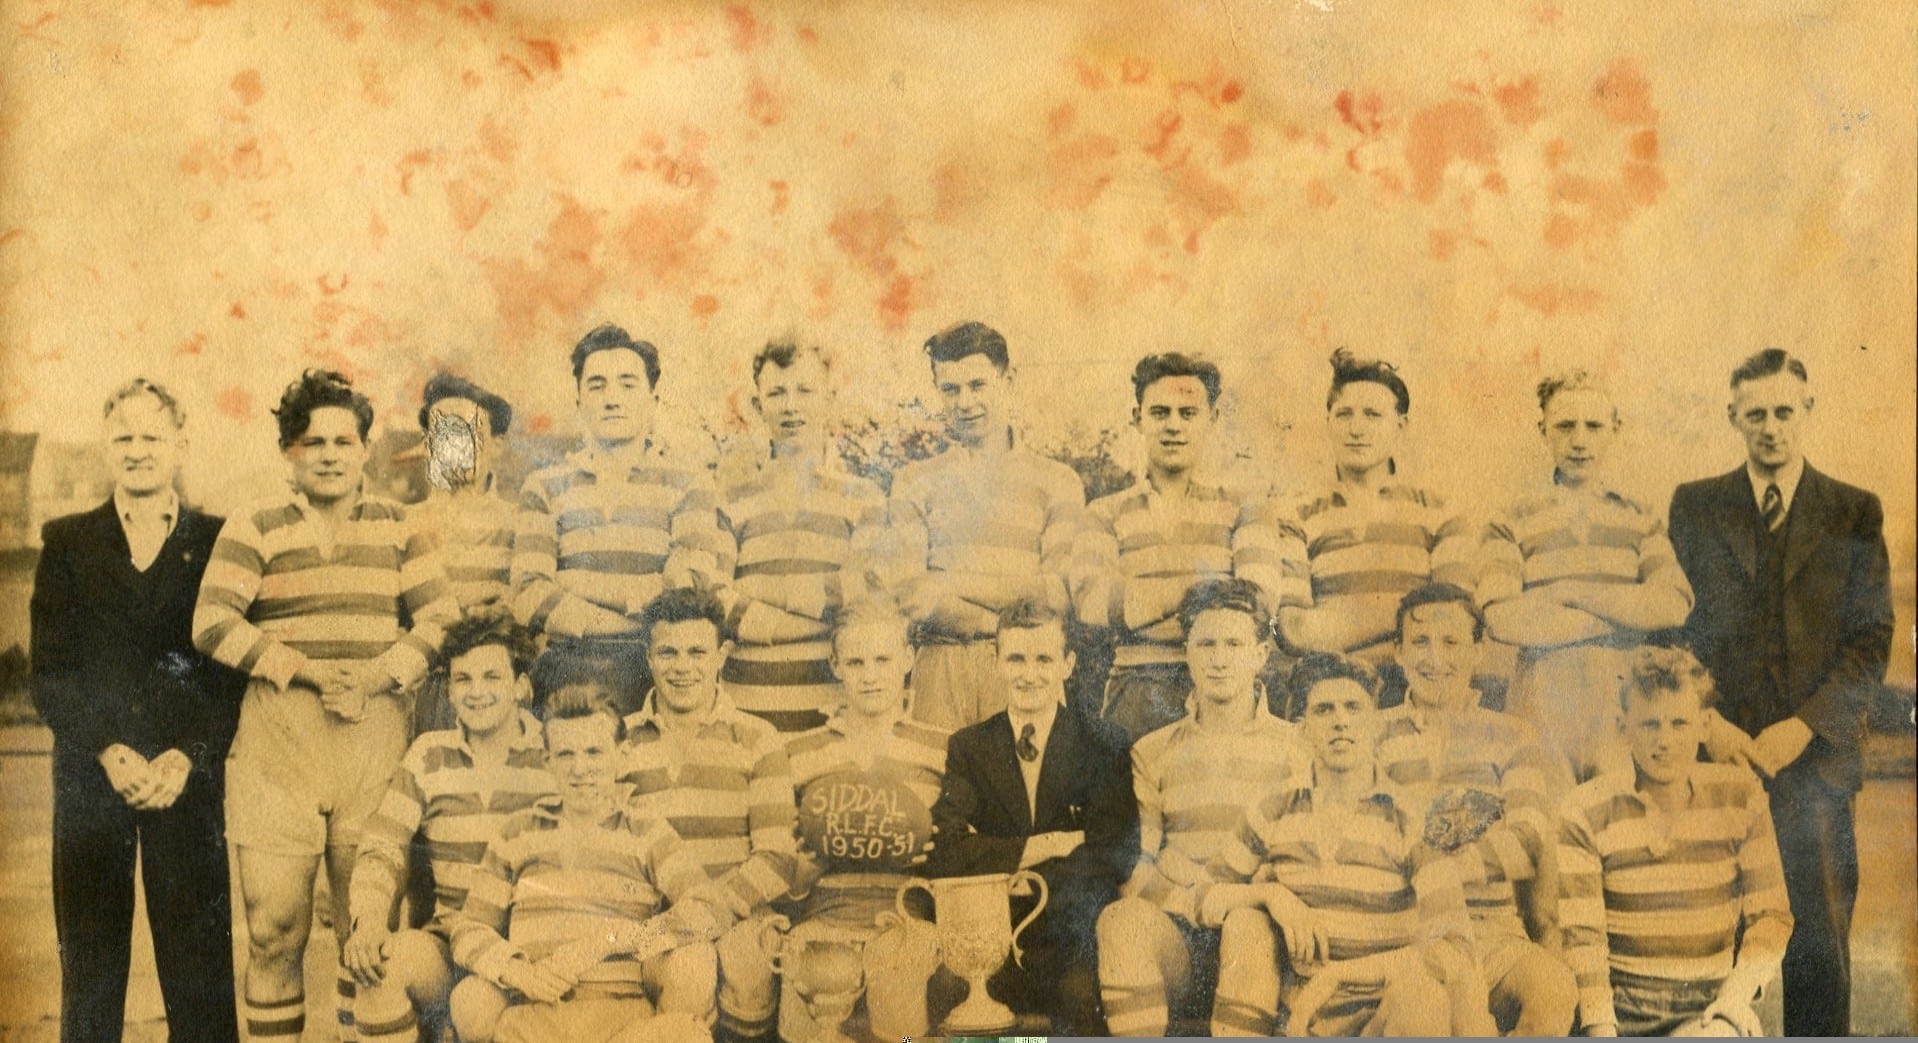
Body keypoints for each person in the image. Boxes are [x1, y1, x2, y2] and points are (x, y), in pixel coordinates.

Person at [194, 369, 460, 1042]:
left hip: (371, 741)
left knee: (365, 931)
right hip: (278, 744)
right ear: (291, 451)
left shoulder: (398, 527)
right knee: (274, 927)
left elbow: (440, 620)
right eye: (314, 442)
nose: (332, 453)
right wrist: (305, 669)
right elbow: (211, 620)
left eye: (345, 440)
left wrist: (376, 676)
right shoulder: (255, 524)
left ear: (365, 447)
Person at [1666, 348, 1892, 1036]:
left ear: (1808, 411)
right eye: (1755, 413)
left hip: (1815, 763)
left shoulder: (1852, 510)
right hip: (1719, 761)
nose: (1771, 426)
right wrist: (1707, 724)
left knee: (1817, 937)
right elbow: (1679, 625)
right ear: (1733, 416)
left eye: (1784, 411)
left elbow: (1870, 638)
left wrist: (1804, 725)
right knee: (1711, 932)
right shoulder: (1697, 506)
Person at [30, 378, 245, 1043]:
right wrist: (108, 749)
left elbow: (228, 670)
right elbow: (52, 672)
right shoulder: (68, 541)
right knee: (90, 973)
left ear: (179, 445)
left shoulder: (216, 539)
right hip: (94, 782)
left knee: (200, 970)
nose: (138, 449)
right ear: (104, 447)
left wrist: (188, 754)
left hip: (187, 780)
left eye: (152, 435)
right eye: (123, 436)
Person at [1201, 653, 1488, 1037]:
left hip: (1383, 1018)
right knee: (1245, 922)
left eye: (1354, 708)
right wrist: (1270, 896)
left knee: (1423, 997)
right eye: (1323, 710)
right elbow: (1198, 896)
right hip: (1299, 1020)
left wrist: (1339, 975)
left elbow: (1456, 947)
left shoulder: (1413, 818)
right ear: (1302, 730)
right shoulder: (1274, 810)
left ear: (1375, 724)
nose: (1340, 721)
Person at [446, 683, 722, 1043]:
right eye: (565, 755)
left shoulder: (645, 830)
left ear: (621, 756)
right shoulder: (518, 832)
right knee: (469, 998)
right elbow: (469, 929)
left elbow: (708, 910)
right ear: (547, 761)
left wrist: (616, 937)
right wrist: (518, 973)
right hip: (538, 1011)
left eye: (594, 752)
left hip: (624, 1016)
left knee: (693, 968)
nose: (580, 769)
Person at [1094, 577, 1306, 1037]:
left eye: (1234, 642)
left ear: (1260, 655)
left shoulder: (1298, 747)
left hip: (1265, 942)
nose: (1218, 658)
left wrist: (1244, 900)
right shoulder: (1153, 751)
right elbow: (1138, 875)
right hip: (1182, 936)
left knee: (1248, 925)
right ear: (1186, 651)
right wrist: (1201, 901)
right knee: (1121, 919)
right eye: (1205, 643)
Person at [341, 607, 556, 1043]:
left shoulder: (554, 753)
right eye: (463, 680)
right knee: (378, 968)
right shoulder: (429, 755)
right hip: (449, 945)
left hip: (533, 951)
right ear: (450, 691)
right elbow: (383, 844)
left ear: (520, 686)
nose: (477, 693)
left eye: (492, 678)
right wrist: (367, 919)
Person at [1557, 647, 1795, 1037]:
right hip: (1620, 1012)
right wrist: (1602, 1029)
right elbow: (1584, 939)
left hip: (1707, 1010)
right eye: (1649, 724)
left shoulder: (1741, 796)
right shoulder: (1586, 809)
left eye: (1679, 723)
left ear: (1704, 726)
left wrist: (1734, 1000)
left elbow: (1771, 916)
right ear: (1623, 725)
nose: (1664, 740)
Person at [928, 599, 1140, 1034]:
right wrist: (1041, 847)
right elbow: (944, 848)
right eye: (1016, 658)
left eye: (1044, 659)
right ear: (996, 662)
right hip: (989, 938)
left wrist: (1019, 876)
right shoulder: (969, 747)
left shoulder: (1103, 744)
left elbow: (1115, 853)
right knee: (937, 1002)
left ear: (1067, 664)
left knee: (1081, 1003)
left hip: (1069, 941)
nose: (1029, 674)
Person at [1376, 583, 1576, 1036]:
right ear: (1397, 652)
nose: (1435, 659)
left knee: (1554, 988)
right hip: (1407, 931)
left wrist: (1448, 867)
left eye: (1451, 643)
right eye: (1420, 643)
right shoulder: (1370, 733)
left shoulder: (1513, 734)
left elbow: (1528, 837)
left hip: (1493, 933)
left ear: (1478, 651)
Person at [1479, 370, 1693, 783]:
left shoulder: (1639, 516)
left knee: (1619, 824)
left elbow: (1673, 603)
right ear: (1543, 430)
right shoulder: (1510, 518)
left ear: (1614, 430)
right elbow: (1501, 618)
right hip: (1542, 702)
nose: (1579, 440)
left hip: (1623, 705)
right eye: (1565, 426)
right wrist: (1619, 614)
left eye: (1593, 426)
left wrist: (1572, 593)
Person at [513, 323, 729, 715]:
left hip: (651, 677)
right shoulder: (544, 486)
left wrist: (572, 582)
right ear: (578, 400)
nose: (612, 399)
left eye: (628, 385)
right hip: (567, 674)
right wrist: (639, 603)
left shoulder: (689, 484)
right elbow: (528, 595)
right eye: (597, 385)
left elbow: (689, 592)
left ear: (653, 399)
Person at [1071, 352, 1285, 739]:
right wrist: (1208, 586)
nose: (1173, 426)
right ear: (1137, 418)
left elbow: (1258, 599)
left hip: (1225, 690)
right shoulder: (1104, 513)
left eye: (1188, 413)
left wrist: (1137, 601)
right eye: (1159, 413)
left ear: (1213, 418)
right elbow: (1090, 602)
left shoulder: (1248, 507)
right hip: (1135, 690)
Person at [619, 588, 799, 1043]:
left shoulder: (758, 738)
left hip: (737, 918)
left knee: (748, 962)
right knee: (687, 970)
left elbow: (777, 858)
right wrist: (672, 930)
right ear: (648, 656)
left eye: (697, 652)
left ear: (722, 654)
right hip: (653, 930)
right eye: (668, 652)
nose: (683, 667)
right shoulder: (618, 741)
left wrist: (703, 917)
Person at [889, 320, 1086, 729]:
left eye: (978, 385)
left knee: (1025, 790)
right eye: (951, 389)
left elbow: (1056, 594)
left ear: (1007, 379)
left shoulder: (1057, 481)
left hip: (1024, 673)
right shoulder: (914, 481)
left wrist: (947, 582)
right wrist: (1008, 607)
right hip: (940, 670)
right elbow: (911, 596)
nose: (965, 402)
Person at [775, 597, 948, 1042]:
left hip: (906, 922)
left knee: (897, 1002)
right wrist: (806, 865)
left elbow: (958, 852)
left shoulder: (943, 748)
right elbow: (781, 865)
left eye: (883, 659)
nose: (870, 675)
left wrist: (937, 851)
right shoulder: (799, 752)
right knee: (805, 1024)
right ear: (835, 664)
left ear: (908, 659)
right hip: (824, 920)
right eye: (855, 661)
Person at [1273, 350, 1475, 714]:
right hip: (1330, 697)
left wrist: (1338, 630)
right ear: (1328, 421)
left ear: (1401, 425)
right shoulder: (1297, 515)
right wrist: (1407, 617)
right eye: (1344, 414)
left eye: (1372, 415)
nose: (1357, 428)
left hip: (1417, 694)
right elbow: (1295, 630)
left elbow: (1451, 626)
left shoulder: (1440, 512)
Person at [716, 340, 888, 732]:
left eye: (804, 391)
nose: (791, 406)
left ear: (829, 399)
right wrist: (823, 619)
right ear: (758, 407)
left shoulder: (863, 499)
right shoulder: (729, 501)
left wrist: (759, 596)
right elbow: (716, 600)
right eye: (777, 393)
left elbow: (866, 594)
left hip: (833, 716)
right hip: (745, 712)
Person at [407, 373, 520, 733]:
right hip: (417, 693)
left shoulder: (521, 523)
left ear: (497, 445)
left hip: (495, 695)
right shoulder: (402, 525)